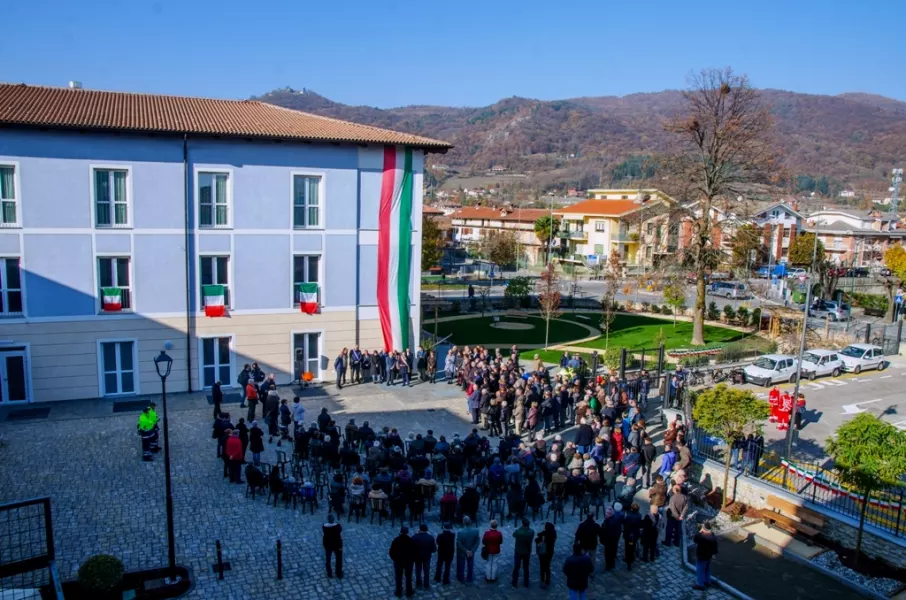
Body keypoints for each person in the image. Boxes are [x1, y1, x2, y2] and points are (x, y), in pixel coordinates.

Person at [390, 526, 416, 598]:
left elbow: (391, 552)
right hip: (408, 563)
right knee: (409, 577)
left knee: (398, 577)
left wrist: (395, 559)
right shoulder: (411, 541)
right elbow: (414, 553)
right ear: (407, 533)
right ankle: (409, 591)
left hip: (398, 562)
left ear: (400, 532)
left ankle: (398, 592)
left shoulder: (396, 540)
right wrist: (412, 560)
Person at [693, 521, 718, 590]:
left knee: (700, 569)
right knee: (707, 569)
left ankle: (700, 584)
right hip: (708, 556)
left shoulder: (701, 536)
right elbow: (715, 546)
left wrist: (699, 532)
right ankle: (707, 581)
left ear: (704, 528)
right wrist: (714, 553)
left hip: (701, 556)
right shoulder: (712, 535)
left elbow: (695, 539)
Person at [412, 523, 437, 590]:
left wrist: (416, 534)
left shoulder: (414, 537)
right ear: (427, 530)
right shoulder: (430, 538)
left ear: (419, 529)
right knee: (426, 571)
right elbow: (434, 550)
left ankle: (418, 584)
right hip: (427, 557)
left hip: (417, 558)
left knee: (418, 571)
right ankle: (426, 584)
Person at [511, 518, 534, 588]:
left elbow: (513, 534)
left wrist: (521, 528)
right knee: (526, 568)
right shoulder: (531, 532)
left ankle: (514, 582)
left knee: (516, 567)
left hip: (518, 551)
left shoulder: (519, 532)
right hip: (527, 551)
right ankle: (526, 582)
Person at [456, 516, 479, 583]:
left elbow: (459, 544)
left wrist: (466, 551)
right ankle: (469, 577)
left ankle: (461, 577)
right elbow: (477, 542)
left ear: (463, 522)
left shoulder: (460, 532)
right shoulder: (476, 531)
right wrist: (471, 551)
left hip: (462, 552)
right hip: (471, 552)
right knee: (470, 564)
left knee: (461, 565)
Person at [535, 522, 556, 589]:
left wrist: (540, 536)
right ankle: (547, 580)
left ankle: (542, 580)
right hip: (550, 552)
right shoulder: (553, 533)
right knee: (547, 566)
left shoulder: (545, 535)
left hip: (543, 552)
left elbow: (538, 540)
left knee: (542, 566)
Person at [322, 513, 343, 579]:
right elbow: (339, 536)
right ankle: (338, 573)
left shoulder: (324, 527)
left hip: (328, 544)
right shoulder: (338, 527)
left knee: (328, 559)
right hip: (336, 544)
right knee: (339, 558)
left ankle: (329, 573)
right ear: (333, 519)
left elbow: (324, 535)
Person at [623, 502, 642, 570]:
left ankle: (628, 560)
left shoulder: (628, 516)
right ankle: (632, 557)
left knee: (628, 548)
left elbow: (625, 526)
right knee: (632, 547)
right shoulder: (639, 515)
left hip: (628, 536)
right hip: (635, 536)